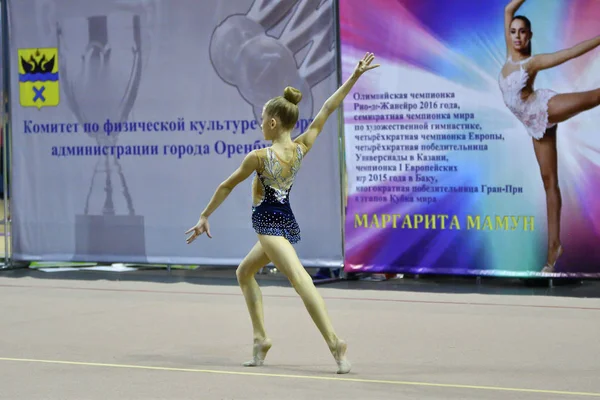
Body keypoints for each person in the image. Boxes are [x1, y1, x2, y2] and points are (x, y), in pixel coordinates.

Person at [186, 53, 380, 373]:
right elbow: (328, 108)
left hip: (268, 223)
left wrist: (205, 214)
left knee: (300, 279)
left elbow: (226, 185)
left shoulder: (259, 157)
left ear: (273, 122)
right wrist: (354, 77)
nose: (261, 124)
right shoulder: (302, 147)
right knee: (244, 273)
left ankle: (335, 342)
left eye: (263, 119)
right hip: (284, 219)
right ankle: (261, 339)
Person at [499, 0, 600, 272]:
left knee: (594, 96)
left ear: (529, 36)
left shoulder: (532, 63)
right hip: (533, 125)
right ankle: (554, 247)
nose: (517, 36)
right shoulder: (510, 54)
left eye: (522, 32)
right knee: (549, 182)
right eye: (513, 31)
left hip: (543, 108)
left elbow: (570, 52)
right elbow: (509, 9)